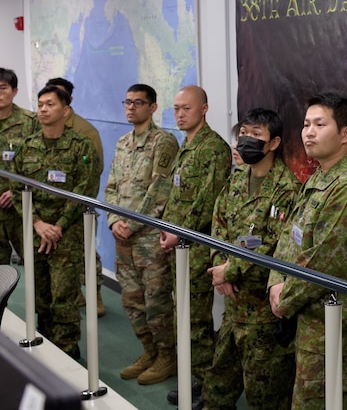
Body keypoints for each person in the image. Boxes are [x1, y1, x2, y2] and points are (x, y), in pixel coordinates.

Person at [268, 91, 347, 409]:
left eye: (320, 124)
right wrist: (276, 281)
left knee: (320, 401)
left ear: (345, 134)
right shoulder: (321, 176)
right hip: (308, 316)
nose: (309, 132)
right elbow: (291, 236)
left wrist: (284, 297)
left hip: (332, 322)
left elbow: (326, 265)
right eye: (306, 124)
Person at [202, 108, 301, 410]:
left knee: (265, 396)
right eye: (243, 133)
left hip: (263, 316)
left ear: (273, 143)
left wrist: (230, 271)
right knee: (218, 385)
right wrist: (221, 267)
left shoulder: (288, 189)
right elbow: (218, 223)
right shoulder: (236, 179)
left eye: (256, 135)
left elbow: (275, 244)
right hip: (233, 309)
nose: (246, 140)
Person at [11, 85, 100, 358]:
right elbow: (17, 189)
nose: (43, 109)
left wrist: (58, 225)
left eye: (50, 104)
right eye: (40, 105)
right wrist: (38, 223)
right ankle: (45, 350)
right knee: (40, 296)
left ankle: (67, 356)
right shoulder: (27, 147)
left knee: (64, 300)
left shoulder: (81, 146)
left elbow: (85, 189)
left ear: (66, 110)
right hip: (36, 233)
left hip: (67, 234)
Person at [159, 85, 231, 406]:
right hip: (179, 246)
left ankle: (206, 385)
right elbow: (178, 196)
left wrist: (179, 232)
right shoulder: (185, 146)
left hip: (196, 247)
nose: (180, 114)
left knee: (197, 323)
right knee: (186, 317)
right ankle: (197, 379)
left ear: (204, 108)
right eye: (176, 109)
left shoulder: (213, 148)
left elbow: (207, 202)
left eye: (186, 108)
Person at [104, 84, 179, 384]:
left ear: (152, 107)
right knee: (132, 301)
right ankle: (149, 351)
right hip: (122, 237)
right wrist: (113, 221)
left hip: (148, 238)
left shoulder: (164, 142)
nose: (131, 107)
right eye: (128, 102)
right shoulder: (123, 142)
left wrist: (131, 224)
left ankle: (167, 357)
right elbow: (110, 187)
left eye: (138, 102)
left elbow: (160, 190)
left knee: (156, 302)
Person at [46, 76, 106, 317]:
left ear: (68, 101)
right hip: (50, 207)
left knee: (86, 253)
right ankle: (73, 295)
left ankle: (95, 296)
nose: (51, 104)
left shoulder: (84, 131)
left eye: (58, 97)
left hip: (78, 206)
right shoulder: (41, 127)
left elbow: (95, 169)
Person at [0, 68, 37, 269]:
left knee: (38, 271)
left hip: (23, 211)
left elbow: (42, 164)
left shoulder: (32, 123)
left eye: (3, 88)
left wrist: (18, 191)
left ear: (15, 91)